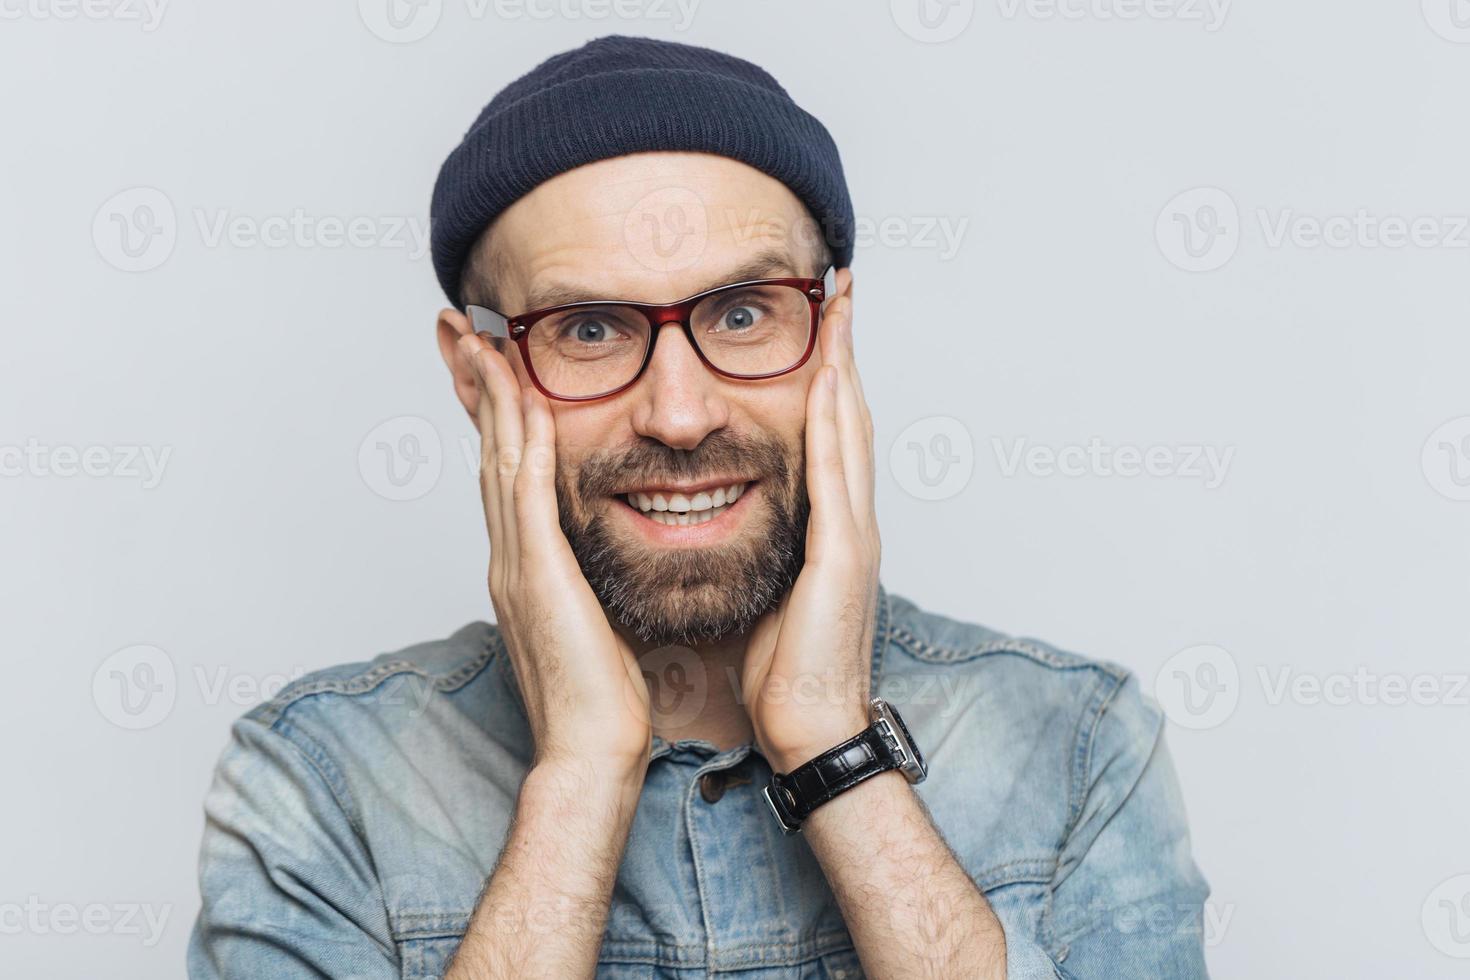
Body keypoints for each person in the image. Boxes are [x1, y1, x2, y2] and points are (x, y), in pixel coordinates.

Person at [188, 34, 1210, 980]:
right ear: (476, 374)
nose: (679, 413)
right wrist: (583, 772)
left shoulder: (1076, 743)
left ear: (833, 334)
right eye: (589, 328)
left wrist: (830, 742)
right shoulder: (318, 783)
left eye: (743, 312)